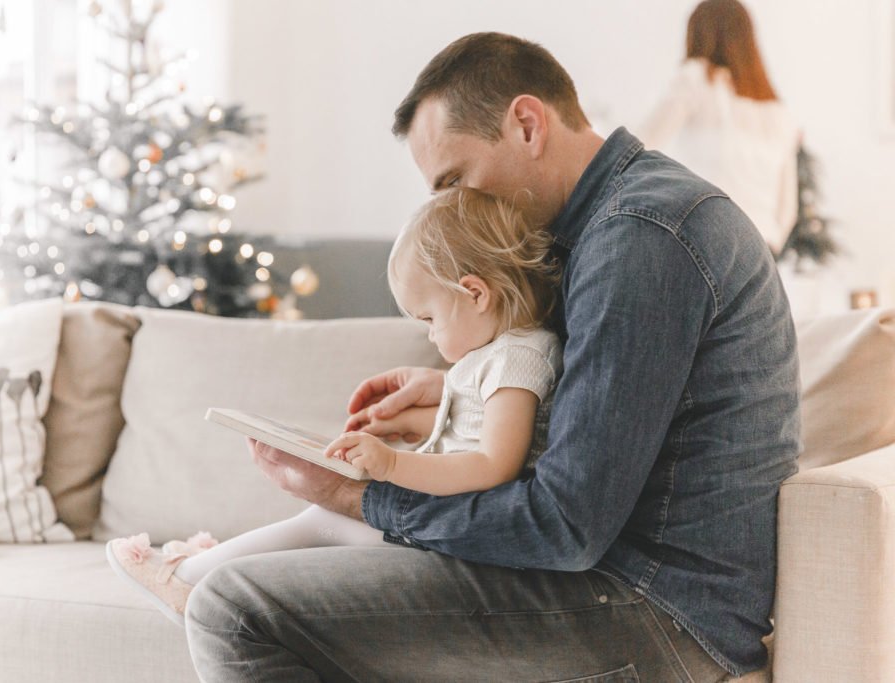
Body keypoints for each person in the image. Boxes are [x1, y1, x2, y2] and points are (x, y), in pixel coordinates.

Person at [186, 32, 799, 681]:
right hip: (623, 581)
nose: (453, 209)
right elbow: (595, 425)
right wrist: (463, 390)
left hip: (655, 611)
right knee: (283, 582)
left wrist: (362, 498)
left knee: (233, 608)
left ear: (527, 124)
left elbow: (564, 526)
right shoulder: (608, 224)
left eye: (455, 180)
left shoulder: (641, 238)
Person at [105, 186, 563, 626]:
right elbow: (482, 431)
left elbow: (493, 464)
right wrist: (415, 426)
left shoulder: (516, 359)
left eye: (429, 318)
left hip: (456, 539)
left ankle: (187, 581)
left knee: (323, 518)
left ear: (476, 294)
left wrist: (391, 464)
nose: (429, 335)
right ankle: (204, 571)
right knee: (321, 521)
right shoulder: (499, 352)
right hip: (442, 525)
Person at [639, 0, 800, 255]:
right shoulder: (778, 111)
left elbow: (640, 146)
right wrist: (771, 246)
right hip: (761, 249)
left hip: (706, 240)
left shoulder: (696, 78)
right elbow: (787, 208)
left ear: (698, 35)